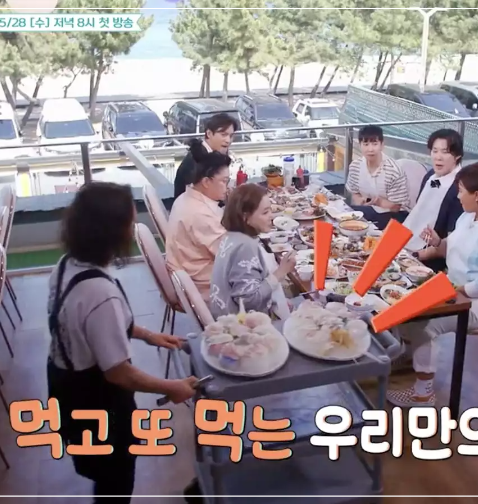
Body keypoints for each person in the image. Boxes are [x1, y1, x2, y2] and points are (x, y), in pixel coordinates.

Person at [45, 182, 199, 502]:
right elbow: (119, 373)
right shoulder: (100, 293)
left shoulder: (66, 266)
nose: (132, 229)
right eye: (130, 222)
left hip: (65, 389)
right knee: (114, 481)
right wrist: (171, 387)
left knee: (101, 472)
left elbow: (89, 328)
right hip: (96, 402)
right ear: (111, 231)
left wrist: (147, 335)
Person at [388, 162, 478, 408]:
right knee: (401, 300)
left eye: (461, 191)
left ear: (477, 195)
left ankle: (423, 393)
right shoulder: (468, 215)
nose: (458, 196)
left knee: (425, 323)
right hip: (455, 285)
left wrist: (450, 289)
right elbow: (454, 244)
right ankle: (408, 355)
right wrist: (438, 242)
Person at [208, 183, 297, 318]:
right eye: (265, 212)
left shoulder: (231, 236)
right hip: (242, 325)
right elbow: (248, 300)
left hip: (225, 317)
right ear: (246, 217)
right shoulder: (245, 247)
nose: (271, 216)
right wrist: (281, 272)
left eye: (270, 210)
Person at [166, 148, 231, 300]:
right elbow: (231, 257)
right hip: (207, 287)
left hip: (190, 274)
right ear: (206, 182)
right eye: (224, 181)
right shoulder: (201, 215)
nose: (227, 187)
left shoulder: (185, 198)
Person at [402, 129, 466, 271]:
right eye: (435, 151)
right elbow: (418, 211)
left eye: (445, 152)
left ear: (457, 156)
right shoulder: (431, 175)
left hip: (432, 256)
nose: (438, 157)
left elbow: (452, 242)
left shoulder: (460, 189)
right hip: (408, 242)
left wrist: (417, 255)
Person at [345, 125, 410, 229]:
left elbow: (397, 207)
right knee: (344, 214)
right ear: (359, 145)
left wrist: (378, 202)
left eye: (375, 144)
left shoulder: (393, 170)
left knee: (353, 221)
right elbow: (355, 193)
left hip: (395, 216)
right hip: (368, 210)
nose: (370, 149)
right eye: (366, 144)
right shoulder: (355, 166)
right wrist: (361, 201)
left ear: (382, 145)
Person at [173, 113, 238, 200]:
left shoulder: (205, 154)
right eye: (223, 135)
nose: (228, 140)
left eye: (231, 136)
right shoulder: (196, 160)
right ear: (209, 133)